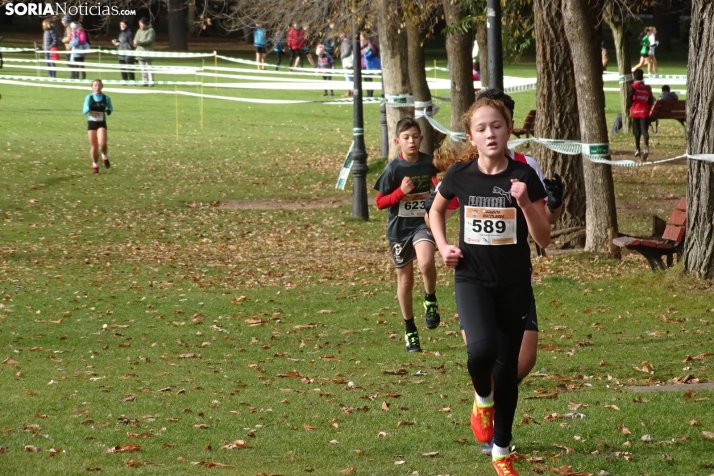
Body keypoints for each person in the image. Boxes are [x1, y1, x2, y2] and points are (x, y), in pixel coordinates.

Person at [428, 96, 550, 476]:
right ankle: (482, 398)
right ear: (471, 137)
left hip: (513, 282)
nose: (490, 133)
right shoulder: (460, 175)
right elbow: (434, 211)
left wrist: (526, 203)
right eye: (481, 128)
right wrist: (444, 245)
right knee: (480, 352)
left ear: (509, 128)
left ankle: (501, 450)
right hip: (471, 278)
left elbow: (544, 237)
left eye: (496, 125)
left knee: (508, 368)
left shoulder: (524, 176)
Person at [373, 118, 442, 353]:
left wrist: (437, 191)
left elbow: (439, 187)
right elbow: (380, 203)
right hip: (398, 230)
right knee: (406, 280)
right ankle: (410, 329)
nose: (411, 141)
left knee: (426, 262)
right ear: (397, 141)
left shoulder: (430, 162)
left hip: (422, 225)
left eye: (415, 136)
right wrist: (400, 192)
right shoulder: (393, 169)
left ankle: (430, 299)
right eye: (406, 137)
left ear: (421, 139)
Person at [82, 79, 113, 174]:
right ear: (92, 87)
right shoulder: (89, 97)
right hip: (91, 123)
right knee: (94, 146)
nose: (97, 87)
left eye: (99, 85)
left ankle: (104, 156)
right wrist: (89, 107)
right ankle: (95, 165)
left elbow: (110, 107)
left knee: (102, 143)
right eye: (95, 85)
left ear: (102, 87)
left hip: (101, 123)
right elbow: (84, 111)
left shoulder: (106, 97)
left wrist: (109, 111)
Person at [627, 68, 654, 160]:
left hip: (635, 111)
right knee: (644, 130)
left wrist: (630, 107)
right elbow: (650, 100)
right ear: (642, 77)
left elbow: (629, 98)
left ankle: (637, 148)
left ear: (634, 77)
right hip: (645, 112)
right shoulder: (647, 88)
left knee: (637, 130)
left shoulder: (632, 87)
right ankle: (646, 148)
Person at [133, 17, 155, 86]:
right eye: (139, 24)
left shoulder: (151, 30)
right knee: (142, 69)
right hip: (139, 52)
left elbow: (149, 40)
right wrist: (135, 43)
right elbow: (136, 38)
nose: (140, 25)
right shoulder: (139, 30)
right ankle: (144, 81)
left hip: (147, 52)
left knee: (149, 68)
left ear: (145, 23)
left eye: (141, 23)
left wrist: (139, 42)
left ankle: (151, 82)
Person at [360, 33, 380, 98]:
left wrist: (365, 53)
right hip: (362, 64)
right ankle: (367, 93)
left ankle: (370, 94)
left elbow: (373, 52)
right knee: (365, 80)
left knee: (369, 79)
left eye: (361, 36)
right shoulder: (360, 44)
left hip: (368, 64)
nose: (360, 38)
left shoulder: (369, 44)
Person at [339, 31, 353, 97]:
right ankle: (352, 92)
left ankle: (349, 92)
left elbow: (347, 52)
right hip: (349, 61)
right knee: (351, 78)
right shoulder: (348, 41)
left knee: (348, 78)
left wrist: (341, 56)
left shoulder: (346, 42)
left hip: (348, 61)